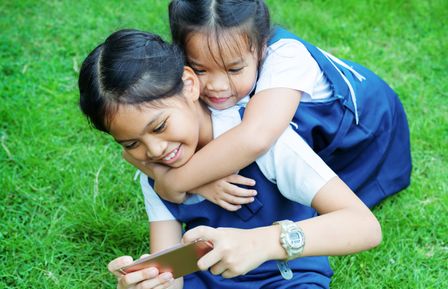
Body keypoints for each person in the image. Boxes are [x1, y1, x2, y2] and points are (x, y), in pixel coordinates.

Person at [75, 29, 381, 289]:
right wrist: (155, 287)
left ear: (189, 85)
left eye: (160, 126)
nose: (154, 151)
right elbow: (172, 272)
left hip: (287, 284)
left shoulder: (267, 142)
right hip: (207, 288)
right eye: (131, 143)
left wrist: (262, 243)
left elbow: (363, 226)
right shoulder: (154, 174)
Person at [144, 0, 412, 211]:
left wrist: (174, 181)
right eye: (200, 69)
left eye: (234, 69)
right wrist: (199, 184)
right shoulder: (186, 71)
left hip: (364, 132)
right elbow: (133, 137)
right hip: (305, 130)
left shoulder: (287, 56)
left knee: (298, 188)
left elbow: (255, 138)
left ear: (261, 48)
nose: (217, 86)